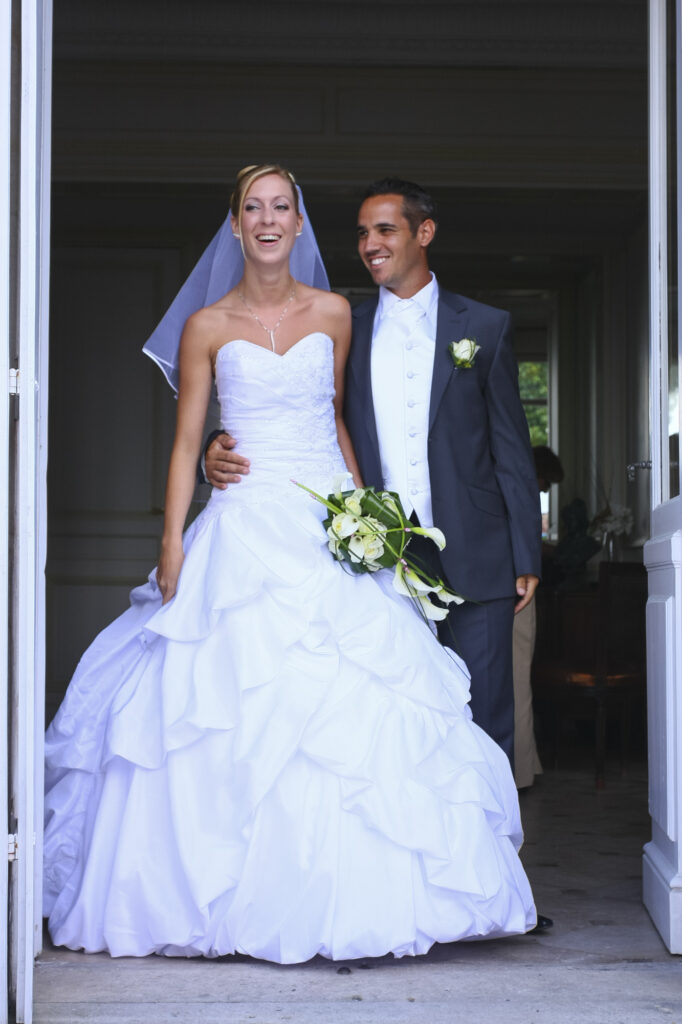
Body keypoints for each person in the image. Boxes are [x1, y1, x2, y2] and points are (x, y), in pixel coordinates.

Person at [43, 164, 538, 962]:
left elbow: (339, 421)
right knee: (225, 711)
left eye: (283, 208)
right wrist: (173, 540)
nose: (269, 221)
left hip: (325, 527)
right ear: (235, 226)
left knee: (357, 710)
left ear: (300, 225)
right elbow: (184, 444)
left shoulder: (339, 313)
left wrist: (360, 512)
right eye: (253, 209)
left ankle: (376, 896)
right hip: (239, 529)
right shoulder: (205, 325)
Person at [205, 178, 542, 768]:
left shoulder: (484, 327)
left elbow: (513, 450)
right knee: (395, 720)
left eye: (385, 229)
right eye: (362, 233)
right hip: (379, 560)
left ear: (424, 232)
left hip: (479, 554)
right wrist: (217, 444)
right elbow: (302, 405)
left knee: (486, 722)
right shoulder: (344, 326)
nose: (370, 244)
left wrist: (526, 555)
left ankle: (490, 855)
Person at [513, 445, 565, 789]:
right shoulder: (522, 497)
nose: (545, 489)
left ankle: (524, 765)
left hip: (512, 586)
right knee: (519, 680)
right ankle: (522, 768)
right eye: (546, 481)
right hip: (519, 589)